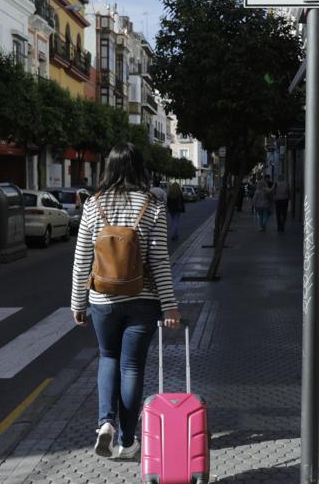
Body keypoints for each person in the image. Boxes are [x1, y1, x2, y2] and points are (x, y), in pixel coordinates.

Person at [71, 143, 182, 461]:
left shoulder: (93, 204)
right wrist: (170, 305)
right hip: (142, 299)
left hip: (102, 298)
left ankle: (105, 422)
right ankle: (127, 440)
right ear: (139, 168)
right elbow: (160, 260)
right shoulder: (153, 205)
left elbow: (82, 259)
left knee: (108, 358)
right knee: (132, 366)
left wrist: (78, 302)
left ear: (110, 167)